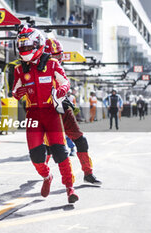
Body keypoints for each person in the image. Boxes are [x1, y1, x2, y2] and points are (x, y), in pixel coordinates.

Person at [12, 26, 79, 203]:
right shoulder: (19, 69)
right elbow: (15, 90)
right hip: (32, 114)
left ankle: (69, 188)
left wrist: (60, 92)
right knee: (35, 155)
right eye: (21, 45)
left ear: (38, 44)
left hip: (51, 113)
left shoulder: (52, 64)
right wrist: (20, 92)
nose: (24, 48)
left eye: (27, 44)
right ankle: (47, 176)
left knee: (61, 152)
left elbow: (65, 83)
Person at [44, 38, 101, 185]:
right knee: (47, 149)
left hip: (63, 108)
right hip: (47, 112)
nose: (58, 59)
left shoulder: (58, 68)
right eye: (54, 56)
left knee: (81, 141)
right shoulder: (36, 71)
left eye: (59, 55)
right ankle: (44, 173)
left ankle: (88, 173)